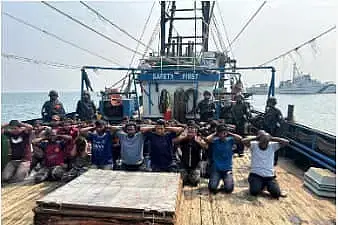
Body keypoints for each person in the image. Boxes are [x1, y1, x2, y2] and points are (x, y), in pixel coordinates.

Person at [242, 130, 289, 199]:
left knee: (276, 194)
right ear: (258, 139)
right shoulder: (254, 145)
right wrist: (257, 138)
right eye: (262, 139)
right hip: (256, 175)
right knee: (254, 192)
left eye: (266, 140)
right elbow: (243, 141)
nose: (264, 142)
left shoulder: (272, 146)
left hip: (269, 176)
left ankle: (266, 186)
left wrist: (271, 138)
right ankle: (262, 186)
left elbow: (286, 142)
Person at [206, 124, 242, 194]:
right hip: (216, 169)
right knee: (212, 188)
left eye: (224, 132)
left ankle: (224, 184)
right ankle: (218, 182)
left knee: (229, 189)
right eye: (221, 132)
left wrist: (230, 133)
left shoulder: (230, 140)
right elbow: (207, 139)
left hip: (227, 169)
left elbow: (240, 138)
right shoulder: (215, 141)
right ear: (218, 133)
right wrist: (215, 133)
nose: (223, 134)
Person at [263, 97, 284, 165]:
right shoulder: (268, 110)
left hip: (274, 131)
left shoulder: (277, 111)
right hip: (267, 131)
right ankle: (268, 158)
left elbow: (281, 121)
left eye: (269, 102)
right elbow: (265, 120)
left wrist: (276, 128)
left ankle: (275, 160)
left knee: (274, 146)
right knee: (267, 145)